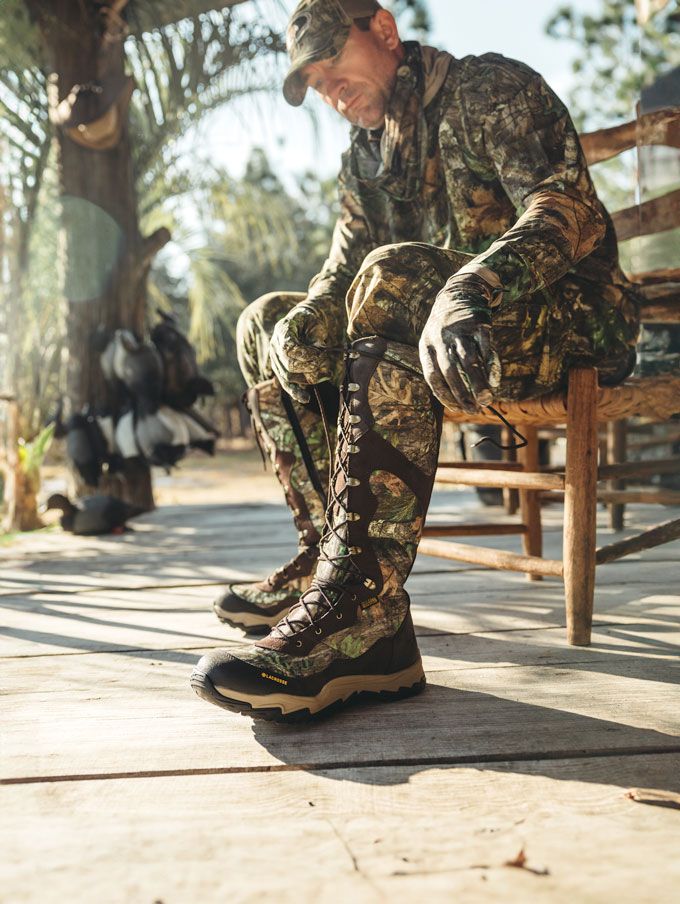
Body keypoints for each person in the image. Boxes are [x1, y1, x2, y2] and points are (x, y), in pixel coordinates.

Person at [191, 0, 640, 720]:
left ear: (386, 32)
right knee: (271, 324)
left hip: (573, 319)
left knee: (395, 272)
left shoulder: (489, 89)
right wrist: (306, 315)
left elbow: (567, 213)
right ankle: (331, 567)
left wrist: (470, 286)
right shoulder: (364, 157)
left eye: (332, 62)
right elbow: (339, 277)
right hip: (439, 332)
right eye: (312, 81)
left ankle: (361, 614)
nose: (329, 90)